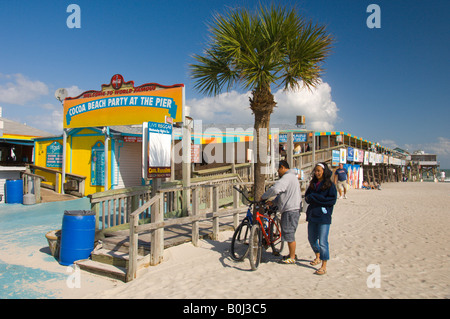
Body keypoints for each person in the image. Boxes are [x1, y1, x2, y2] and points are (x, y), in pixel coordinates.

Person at [261, 160, 301, 264]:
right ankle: (291, 254)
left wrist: (263, 196)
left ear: (282, 167)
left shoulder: (287, 177)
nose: (278, 172)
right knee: (289, 232)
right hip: (293, 208)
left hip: (290, 210)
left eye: (278, 170)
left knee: (289, 233)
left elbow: (276, 189)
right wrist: (273, 202)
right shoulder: (292, 177)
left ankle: (292, 256)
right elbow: (284, 195)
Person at [305, 162, 337, 275]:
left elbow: (332, 200)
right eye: (316, 171)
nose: (317, 173)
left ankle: (324, 265)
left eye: (319, 170)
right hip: (313, 215)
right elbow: (307, 197)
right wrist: (312, 198)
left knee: (323, 241)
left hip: (324, 216)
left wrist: (316, 198)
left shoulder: (330, 185)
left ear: (324, 171)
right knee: (312, 239)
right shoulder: (313, 184)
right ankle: (317, 256)